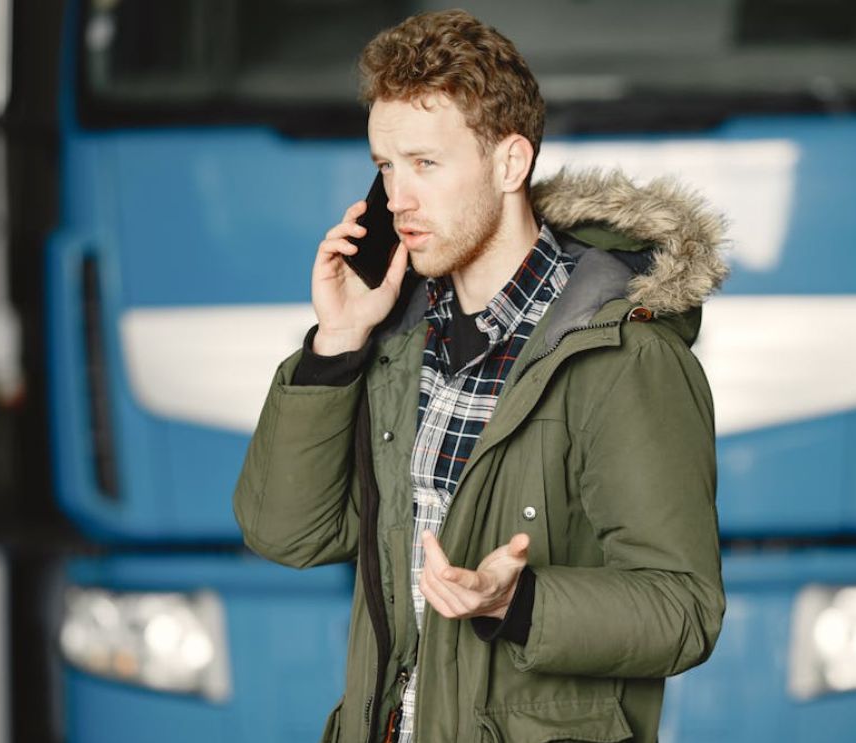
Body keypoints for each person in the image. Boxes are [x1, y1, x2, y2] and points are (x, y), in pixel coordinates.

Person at [234, 9, 727, 742]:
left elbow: (683, 610)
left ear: (509, 164)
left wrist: (517, 602)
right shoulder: (393, 346)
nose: (397, 199)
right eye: (385, 166)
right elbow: (287, 534)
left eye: (425, 164)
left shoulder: (624, 358)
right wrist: (336, 342)